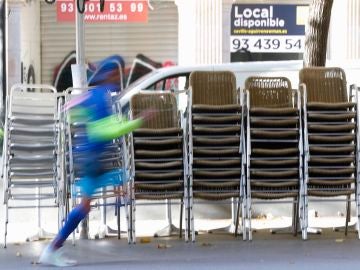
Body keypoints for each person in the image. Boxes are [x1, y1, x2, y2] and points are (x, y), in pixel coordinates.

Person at [39, 87, 153, 267]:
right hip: (92, 164)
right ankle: (52, 248)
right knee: (84, 207)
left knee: (89, 204)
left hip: (94, 163)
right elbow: (115, 129)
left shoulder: (96, 108)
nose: (109, 99)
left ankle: (53, 248)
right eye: (107, 98)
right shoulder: (99, 120)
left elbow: (79, 114)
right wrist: (140, 120)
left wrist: (74, 106)